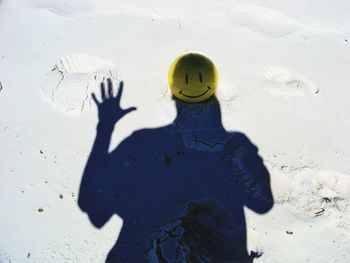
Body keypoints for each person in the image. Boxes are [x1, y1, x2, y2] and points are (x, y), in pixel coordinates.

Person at [78, 79, 273, 262]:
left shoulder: (141, 142)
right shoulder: (232, 151)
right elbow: (262, 204)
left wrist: (104, 128)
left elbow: (94, 212)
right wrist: (247, 162)